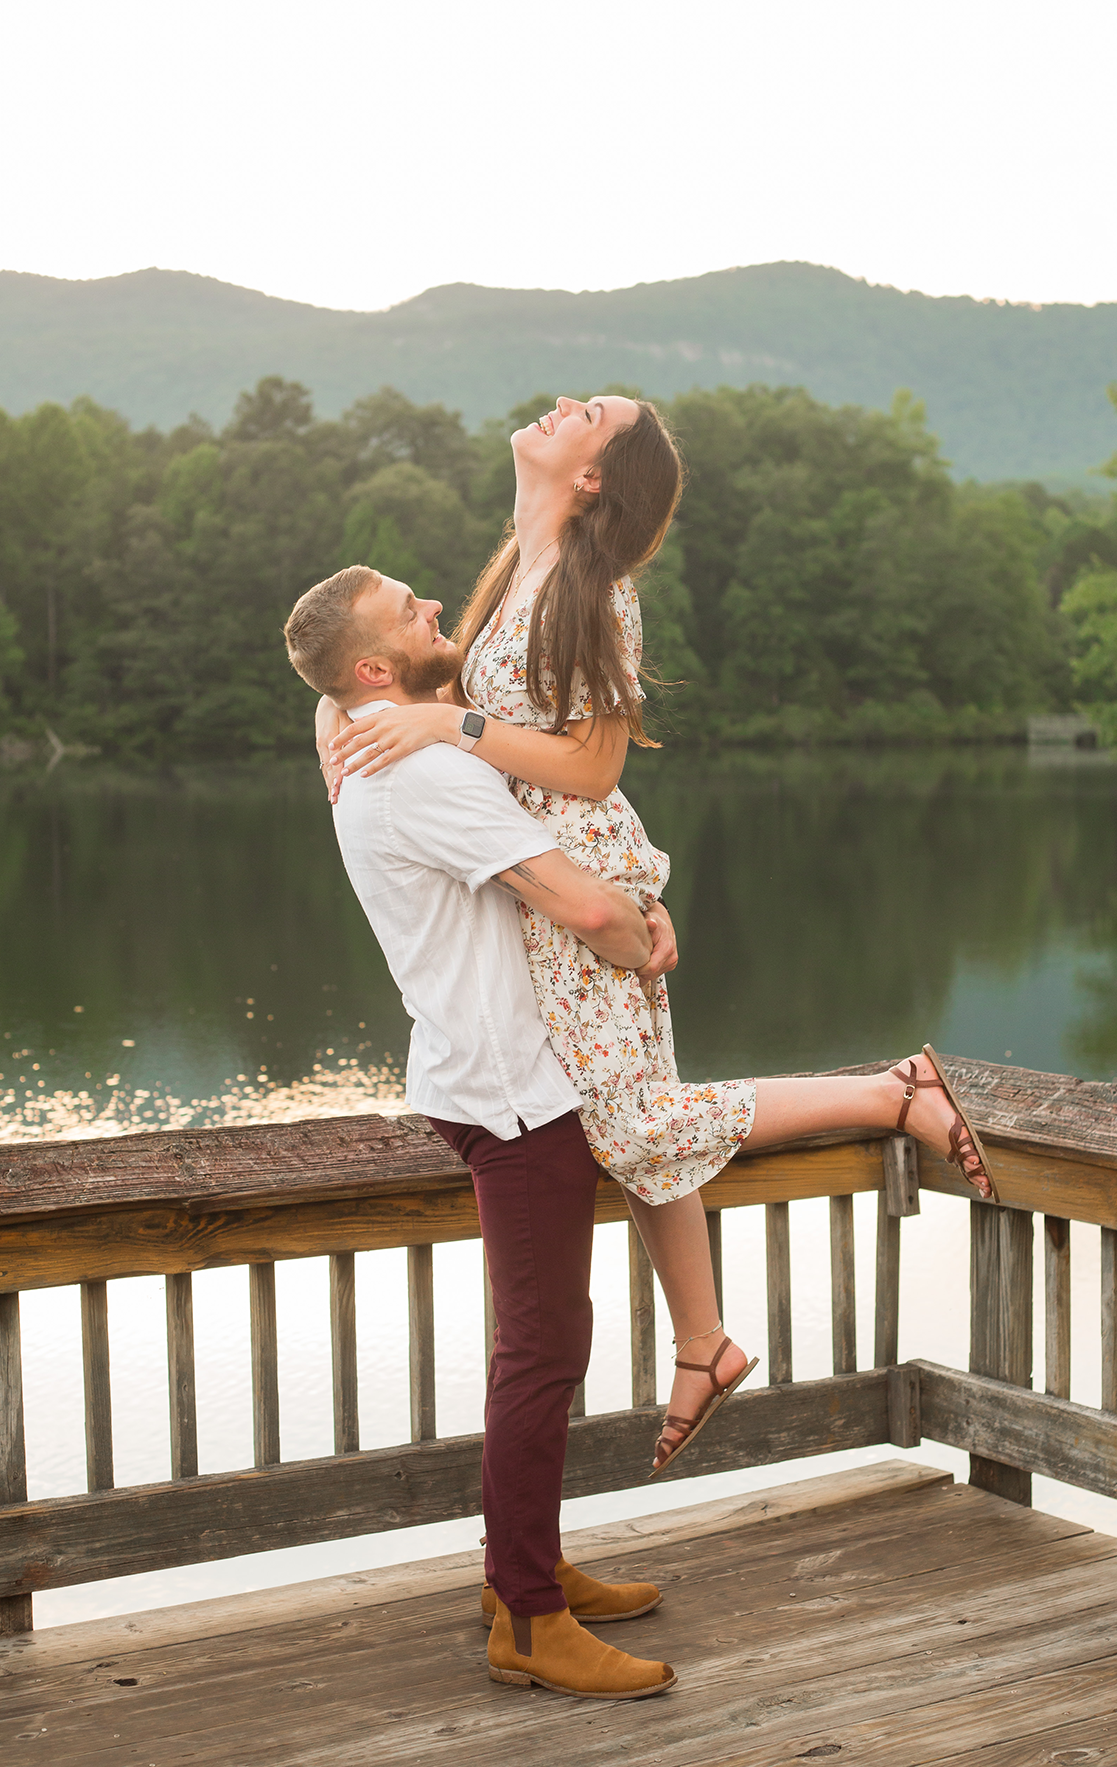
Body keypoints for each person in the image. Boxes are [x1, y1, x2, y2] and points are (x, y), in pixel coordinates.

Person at [320, 396, 998, 1474]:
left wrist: (455, 730)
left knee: (629, 1124)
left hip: (574, 881)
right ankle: (704, 1339)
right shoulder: (511, 579)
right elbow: (384, 677)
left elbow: (591, 767)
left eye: (588, 413)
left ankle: (890, 1095)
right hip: (548, 885)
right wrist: (336, 721)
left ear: (595, 476)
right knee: (636, 1115)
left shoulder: (598, 593)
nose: (560, 406)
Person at [285, 565, 679, 1701]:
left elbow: (336, 682)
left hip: (483, 1076)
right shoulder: (421, 775)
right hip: (515, 1092)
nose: (438, 617)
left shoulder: (372, 735)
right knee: (543, 1349)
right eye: (412, 614)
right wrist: (646, 928)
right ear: (375, 672)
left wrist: (338, 705)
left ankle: (530, 1568)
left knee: (544, 1339)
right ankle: (529, 1618)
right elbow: (585, 907)